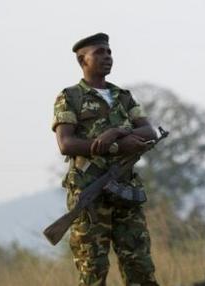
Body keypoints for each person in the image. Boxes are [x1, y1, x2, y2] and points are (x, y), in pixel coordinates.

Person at [51, 32, 159, 286]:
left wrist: (118, 132)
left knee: (140, 267)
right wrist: (112, 147)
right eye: (99, 52)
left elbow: (149, 131)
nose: (107, 57)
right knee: (93, 271)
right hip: (90, 195)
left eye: (109, 52)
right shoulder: (70, 97)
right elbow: (66, 144)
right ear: (82, 60)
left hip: (125, 192)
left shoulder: (123, 97)